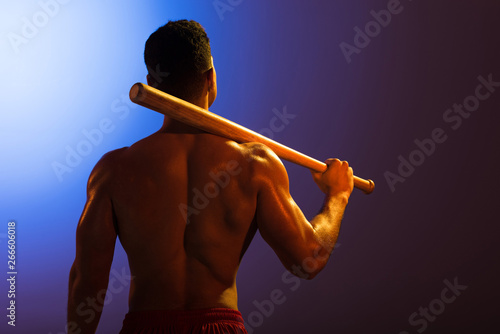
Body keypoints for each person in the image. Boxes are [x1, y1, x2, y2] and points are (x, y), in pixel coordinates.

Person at [67, 20, 354, 334]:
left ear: (152, 82)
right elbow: (309, 260)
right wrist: (337, 195)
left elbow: (87, 279)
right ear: (211, 77)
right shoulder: (255, 164)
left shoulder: (114, 169)